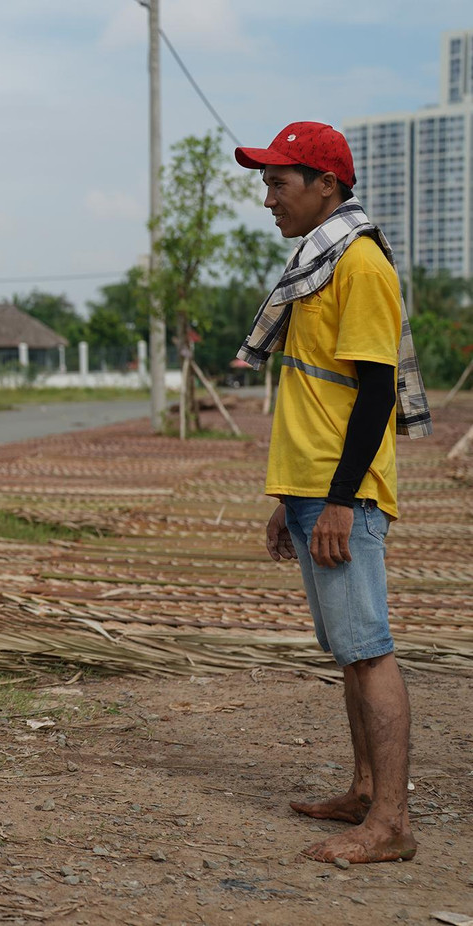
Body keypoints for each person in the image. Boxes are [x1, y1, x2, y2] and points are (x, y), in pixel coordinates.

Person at [234, 121, 431, 864]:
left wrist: (342, 499)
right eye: (265, 183)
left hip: (342, 492)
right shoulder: (320, 262)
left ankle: (392, 823)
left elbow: (376, 393)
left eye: (279, 183)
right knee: (351, 652)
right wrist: (289, 499)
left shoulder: (360, 264)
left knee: (370, 652)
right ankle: (364, 791)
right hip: (312, 487)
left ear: (326, 185)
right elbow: (324, 393)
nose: (268, 198)